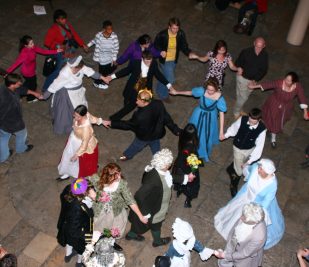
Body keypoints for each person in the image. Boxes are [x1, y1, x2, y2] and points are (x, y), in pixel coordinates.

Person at [125, 148, 195, 247]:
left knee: (140, 225)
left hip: (155, 204)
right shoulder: (153, 181)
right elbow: (138, 196)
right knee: (156, 225)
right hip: (154, 209)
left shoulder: (160, 170)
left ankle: (131, 235)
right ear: (166, 165)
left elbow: (169, 177)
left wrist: (187, 178)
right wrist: (143, 214)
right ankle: (157, 242)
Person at [214, 158, 285, 250]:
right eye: (259, 167)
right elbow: (248, 169)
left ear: (267, 173)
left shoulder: (272, 185)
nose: (258, 169)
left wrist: (254, 215)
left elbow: (266, 202)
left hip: (256, 206)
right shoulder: (256, 167)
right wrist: (245, 167)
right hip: (245, 195)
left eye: (261, 169)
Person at [103, 89, 181, 160]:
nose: (136, 102)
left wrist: (111, 123)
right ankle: (158, 160)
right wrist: (175, 129)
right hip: (157, 133)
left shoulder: (139, 116)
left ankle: (127, 155)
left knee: (136, 146)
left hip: (144, 137)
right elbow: (166, 117)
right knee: (155, 144)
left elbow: (128, 125)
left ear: (144, 102)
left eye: (138, 100)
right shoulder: (158, 103)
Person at [88, 163, 148, 251]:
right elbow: (84, 183)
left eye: (119, 173)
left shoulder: (121, 184)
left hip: (115, 213)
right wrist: (91, 192)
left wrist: (140, 216)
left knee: (113, 231)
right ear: (108, 177)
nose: (119, 177)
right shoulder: (96, 178)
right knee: (101, 230)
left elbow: (130, 200)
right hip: (100, 212)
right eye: (116, 176)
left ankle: (111, 242)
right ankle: (102, 241)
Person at [43, 55, 105, 135]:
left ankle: (80, 123)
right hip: (67, 95)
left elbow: (91, 72)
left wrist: (103, 78)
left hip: (78, 92)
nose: (77, 70)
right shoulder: (65, 73)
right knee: (65, 114)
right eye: (75, 69)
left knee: (79, 109)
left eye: (79, 69)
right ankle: (66, 128)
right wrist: (44, 96)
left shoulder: (81, 67)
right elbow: (55, 85)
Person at [170, 77, 227, 162]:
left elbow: (222, 114)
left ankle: (202, 151)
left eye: (212, 90)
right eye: (208, 89)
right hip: (198, 114)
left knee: (206, 134)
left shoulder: (220, 98)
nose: (210, 92)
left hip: (211, 117)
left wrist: (221, 131)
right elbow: (190, 92)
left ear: (217, 88)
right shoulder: (202, 91)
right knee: (193, 131)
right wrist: (176, 92)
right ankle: (191, 146)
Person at [106, 50, 174, 121]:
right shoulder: (136, 63)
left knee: (140, 104)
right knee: (129, 101)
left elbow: (158, 74)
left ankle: (114, 118)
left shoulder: (153, 63)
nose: (149, 63)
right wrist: (111, 77)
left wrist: (169, 85)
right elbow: (126, 70)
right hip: (134, 86)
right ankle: (115, 117)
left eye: (150, 61)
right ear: (142, 58)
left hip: (145, 88)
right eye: (147, 61)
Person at [248, 71, 308, 148]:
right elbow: (268, 84)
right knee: (270, 118)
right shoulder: (279, 83)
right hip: (274, 103)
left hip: (286, 108)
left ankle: (273, 137)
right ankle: (261, 132)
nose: (286, 81)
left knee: (278, 122)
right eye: (286, 79)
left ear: (293, 82)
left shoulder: (297, 87)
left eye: (289, 80)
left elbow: (302, 97)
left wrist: (305, 112)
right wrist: (253, 87)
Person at [222, 108, 266, 197]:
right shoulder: (243, 119)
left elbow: (259, 147)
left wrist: (249, 162)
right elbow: (234, 128)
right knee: (239, 171)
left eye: (253, 121)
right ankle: (233, 185)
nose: (250, 122)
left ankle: (230, 169)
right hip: (237, 148)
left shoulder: (262, 129)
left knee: (242, 161)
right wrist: (225, 135)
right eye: (250, 120)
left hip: (250, 149)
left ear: (259, 120)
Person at [6, 35, 62, 102]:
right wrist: (7, 72)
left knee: (28, 83)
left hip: (31, 70)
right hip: (28, 72)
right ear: (26, 46)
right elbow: (16, 63)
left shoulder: (32, 47)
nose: (33, 44)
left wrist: (56, 51)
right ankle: (30, 98)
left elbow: (43, 51)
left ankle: (19, 94)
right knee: (33, 85)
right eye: (31, 43)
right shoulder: (24, 54)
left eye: (33, 42)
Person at [43, 9, 88, 90]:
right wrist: (58, 46)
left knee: (68, 65)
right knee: (56, 71)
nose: (64, 20)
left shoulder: (67, 25)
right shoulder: (53, 30)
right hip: (59, 52)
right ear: (57, 20)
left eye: (65, 18)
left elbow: (75, 35)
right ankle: (46, 88)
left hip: (68, 49)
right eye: (62, 19)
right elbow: (47, 43)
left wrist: (83, 44)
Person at [0, 74, 41, 163]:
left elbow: (21, 90)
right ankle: (21, 149)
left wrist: (34, 93)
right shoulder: (8, 100)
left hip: (4, 126)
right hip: (13, 123)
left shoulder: (4, 87)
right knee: (22, 134)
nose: (20, 84)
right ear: (12, 84)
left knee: (3, 138)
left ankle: (3, 156)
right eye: (18, 84)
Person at [57, 178, 96, 267]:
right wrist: (88, 237)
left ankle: (68, 255)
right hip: (76, 232)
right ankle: (79, 262)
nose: (93, 190)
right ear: (85, 194)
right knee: (81, 248)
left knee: (69, 242)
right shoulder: (79, 208)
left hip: (65, 226)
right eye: (91, 189)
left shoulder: (68, 190)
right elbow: (76, 228)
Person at [57, 105, 103, 181]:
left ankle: (74, 172)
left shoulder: (86, 129)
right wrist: (102, 121)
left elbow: (84, 145)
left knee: (80, 162)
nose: (75, 117)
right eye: (75, 115)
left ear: (83, 115)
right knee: (67, 155)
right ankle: (67, 172)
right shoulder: (86, 114)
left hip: (82, 145)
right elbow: (94, 119)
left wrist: (76, 155)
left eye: (78, 116)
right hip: (73, 139)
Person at [154, 17, 195, 100]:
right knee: (170, 79)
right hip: (165, 60)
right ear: (169, 27)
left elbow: (184, 45)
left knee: (164, 76)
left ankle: (158, 89)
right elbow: (155, 45)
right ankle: (163, 95)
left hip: (174, 60)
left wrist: (189, 52)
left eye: (177, 28)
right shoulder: (162, 35)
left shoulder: (180, 34)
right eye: (173, 28)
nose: (176, 30)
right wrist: (161, 51)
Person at [215, 202, 267, 267]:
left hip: (245, 258)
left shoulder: (259, 236)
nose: (241, 218)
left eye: (244, 218)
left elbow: (245, 253)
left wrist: (225, 255)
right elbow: (233, 232)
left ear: (254, 222)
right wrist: (230, 245)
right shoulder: (247, 215)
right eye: (242, 215)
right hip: (234, 245)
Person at [233, 37, 268, 118]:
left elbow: (264, 70)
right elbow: (237, 63)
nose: (258, 48)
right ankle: (236, 111)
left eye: (260, 47)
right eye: (256, 46)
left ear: (264, 46)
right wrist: (239, 68)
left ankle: (239, 106)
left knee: (242, 95)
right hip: (242, 78)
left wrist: (255, 80)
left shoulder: (264, 55)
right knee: (244, 97)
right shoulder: (246, 52)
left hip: (253, 81)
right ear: (254, 43)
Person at [172, 123, 201, 208]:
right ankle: (188, 200)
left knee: (180, 180)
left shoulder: (182, 137)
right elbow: (194, 164)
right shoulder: (191, 149)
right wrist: (192, 173)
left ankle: (179, 190)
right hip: (188, 168)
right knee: (192, 185)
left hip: (179, 167)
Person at [87, 20, 119, 90]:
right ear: (104, 29)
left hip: (109, 58)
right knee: (103, 72)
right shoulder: (99, 35)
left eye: (111, 28)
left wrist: (114, 59)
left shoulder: (114, 36)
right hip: (101, 59)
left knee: (113, 67)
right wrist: (87, 46)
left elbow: (116, 48)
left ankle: (103, 78)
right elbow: (94, 41)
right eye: (109, 29)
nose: (111, 30)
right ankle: (97, 83)